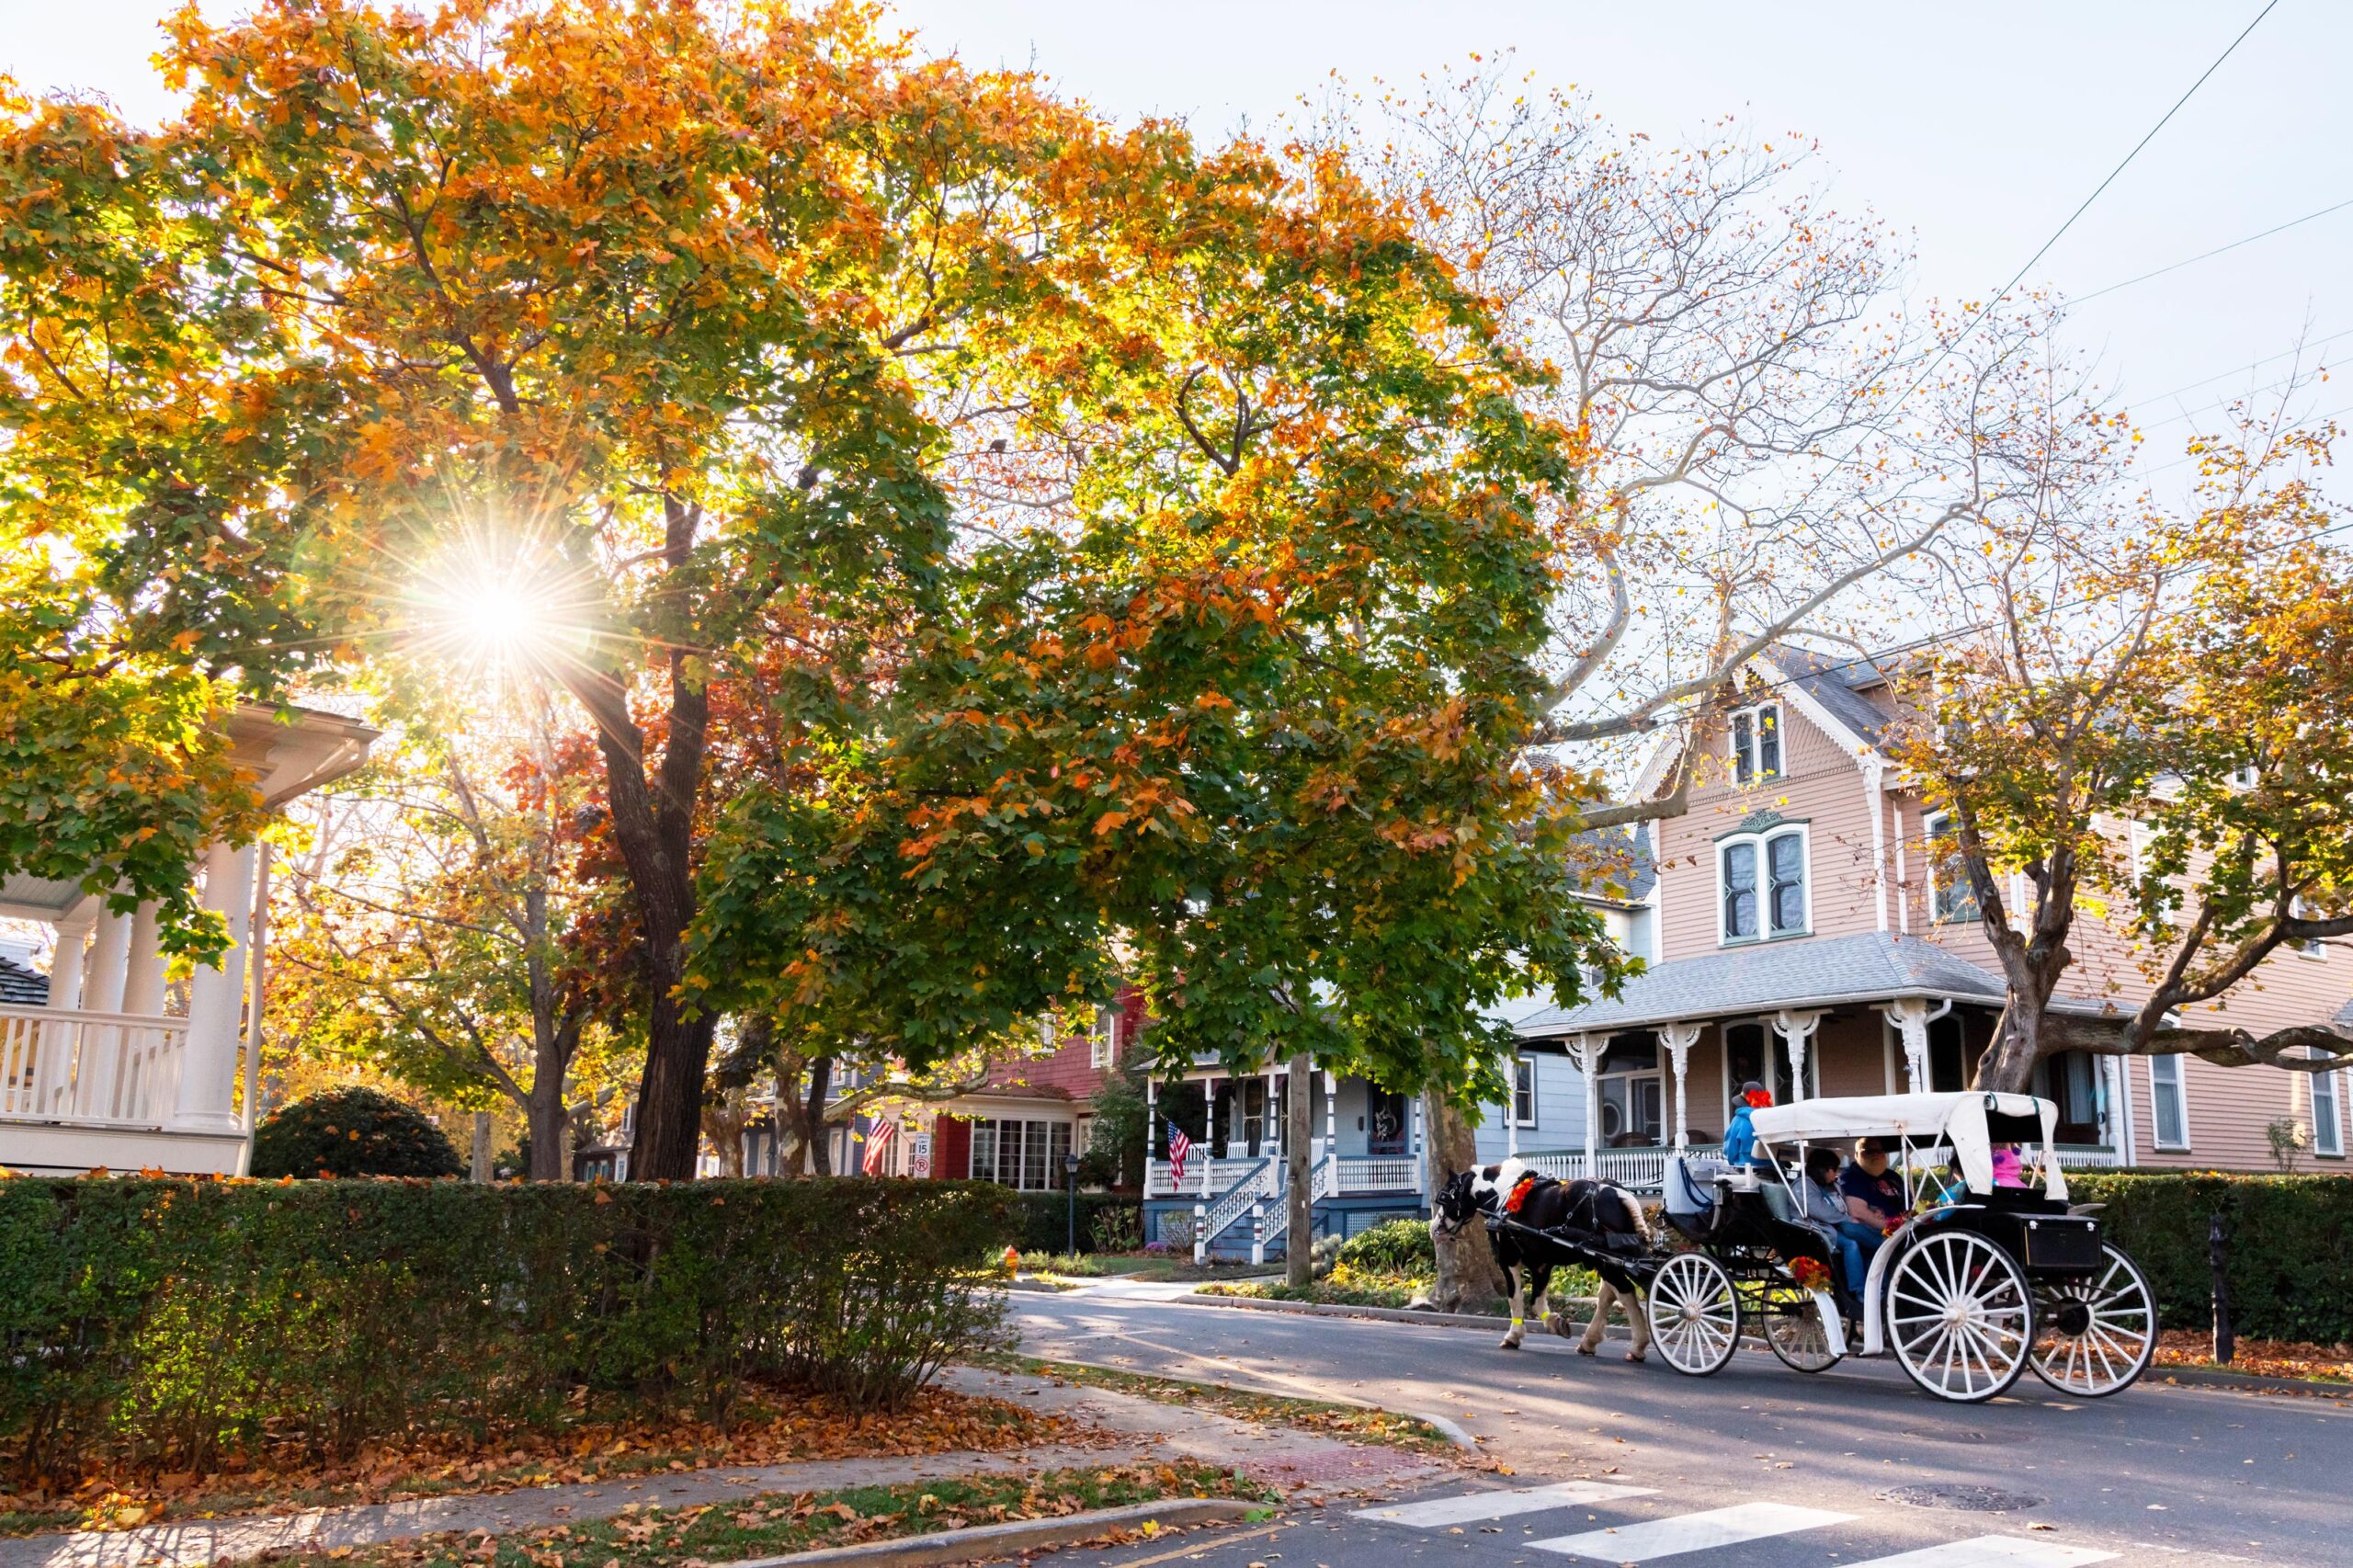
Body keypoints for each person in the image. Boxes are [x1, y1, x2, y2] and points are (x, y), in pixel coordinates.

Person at [1797, 1146, 1869, 1298]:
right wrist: (1847, 1219)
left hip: (1836, 1226)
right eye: (1833, 1170)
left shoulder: (1832, 1185)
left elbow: (1845, 1203)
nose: (1836, 1174)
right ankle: (1859, 1291)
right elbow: (1819, 1210)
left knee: (1862, 1240)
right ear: (1824, 1170)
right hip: (1818, 1229)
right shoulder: (1803, 1186)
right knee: (1852, 1244)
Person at [1839, 1137, 1907, 1232]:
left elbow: (1909, 1203)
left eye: (1880, 1151)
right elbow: (1858, 1213)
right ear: (1856, 1155)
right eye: (1869, 1152)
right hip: (1881, 1234)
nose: (1876, 1155)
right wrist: (1895, 1227)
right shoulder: (1851, 1177)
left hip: (1904, 1229)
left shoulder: (1893, 1176)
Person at [1719, 1080, 1775, 1167]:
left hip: (1746, 1167)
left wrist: (1731, 1162)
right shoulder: (1772, 1118)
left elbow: (1731, 1149)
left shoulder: (1738, 1120)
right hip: (1774, 1169)